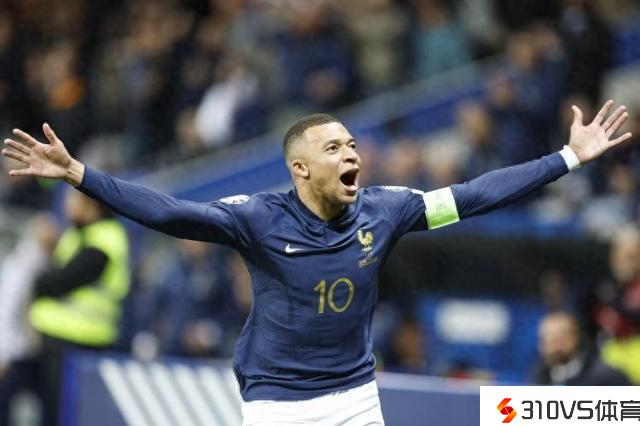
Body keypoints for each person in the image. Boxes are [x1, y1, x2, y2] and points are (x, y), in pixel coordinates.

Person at [1, 100, 632, 425]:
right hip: (277, 405)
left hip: (355, 397)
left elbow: (476, 195)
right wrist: (80, 174)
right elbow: (169, 213)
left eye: (352, 144)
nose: (351, 154)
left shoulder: (389, 210)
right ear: (301, 168)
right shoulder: (257, 219)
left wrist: (568, 158)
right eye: (334, 148)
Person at [28, 190, 130, 425]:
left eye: (74, 200)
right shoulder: (79, 233)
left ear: (92, 206)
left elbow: (59, 282)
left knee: (65, 415)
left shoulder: (105, 240)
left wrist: (38, 281)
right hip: (58, 340)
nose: (68, 205)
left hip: (79, 344)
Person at [531, 311, 630, 385]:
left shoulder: (606, 378)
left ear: (576, 337)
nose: (554, 346)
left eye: (561, 337)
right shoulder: (538, 378)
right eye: (547, 339)